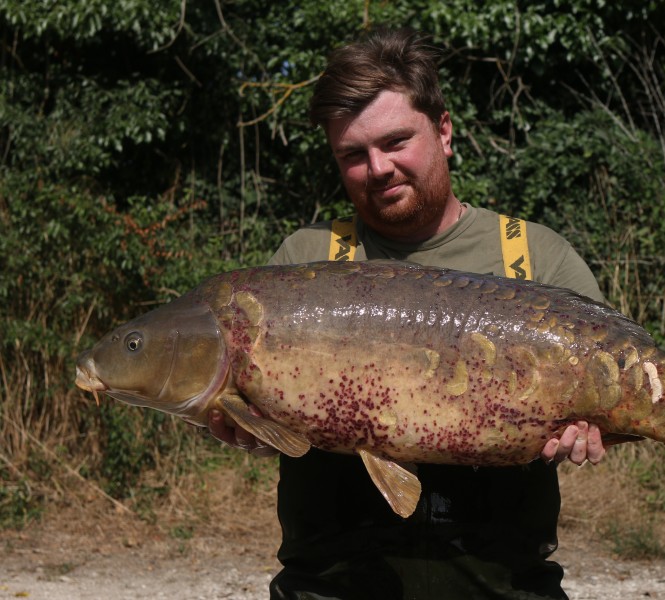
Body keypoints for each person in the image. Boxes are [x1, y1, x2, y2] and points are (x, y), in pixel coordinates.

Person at [209, 27, 605, 600]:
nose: (378, 168)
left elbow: (617, 407)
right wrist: (249, 429)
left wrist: (597, 433)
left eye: (396, 142)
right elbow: (274, 428)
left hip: (503, 586)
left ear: (443, 131)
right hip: (333, 585)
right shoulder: (304, 262)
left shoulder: (536, 258)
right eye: (353, 155)